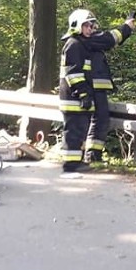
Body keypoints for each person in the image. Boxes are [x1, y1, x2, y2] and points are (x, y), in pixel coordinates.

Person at [82, 12, 136, 162]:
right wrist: (127, 27)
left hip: (91, 88)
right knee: (99, 120)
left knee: (96, 120)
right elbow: (110, 39)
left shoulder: (85, 41)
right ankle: (92, 155)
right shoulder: (89, 40)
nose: (93, 28)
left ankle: (91, 155)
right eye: (90, 25)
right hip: (94, 88)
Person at [58, 9, 97, 173]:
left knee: (79, 130)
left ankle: (76, 161)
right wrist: (84, 93)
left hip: (77, 97)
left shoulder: (80, 44)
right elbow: (73, 73)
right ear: (77, 26)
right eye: (87, 25)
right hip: (74, 97)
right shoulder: (74, 45)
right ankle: (71, 164)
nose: (91, 29)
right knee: (73, 132)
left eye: (92, 25)